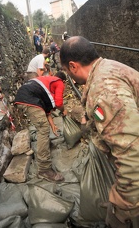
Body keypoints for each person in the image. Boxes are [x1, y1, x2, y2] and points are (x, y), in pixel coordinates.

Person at [60, 36, 139, 228]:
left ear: (72, 66)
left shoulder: (104, 90)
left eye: (66, 71)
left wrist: (123, 209)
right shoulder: (108, 67)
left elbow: (132, 155)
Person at [14, 71, 67, 183]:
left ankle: (45, 146)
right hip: (28, 99)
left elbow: (46, 110)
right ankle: (44, 169)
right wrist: (64, 110)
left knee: (44, 128)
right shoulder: (59, 82)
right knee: (43, 130)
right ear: (63, 81)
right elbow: (58, 103)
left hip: (24, 97)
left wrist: (52, 125)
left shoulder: (45, 83)